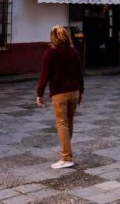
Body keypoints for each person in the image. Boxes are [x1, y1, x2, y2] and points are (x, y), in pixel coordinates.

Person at [36, 24, 84, 169]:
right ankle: (65, 153)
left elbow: (44, 75)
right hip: (74, 91)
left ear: (53, 37)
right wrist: (81, 91)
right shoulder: (73, 52)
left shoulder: (50, 53)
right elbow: (79, 74)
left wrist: (39, 93)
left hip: (59, 92)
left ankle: (66, 157)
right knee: (69, 122)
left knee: (62, 124)